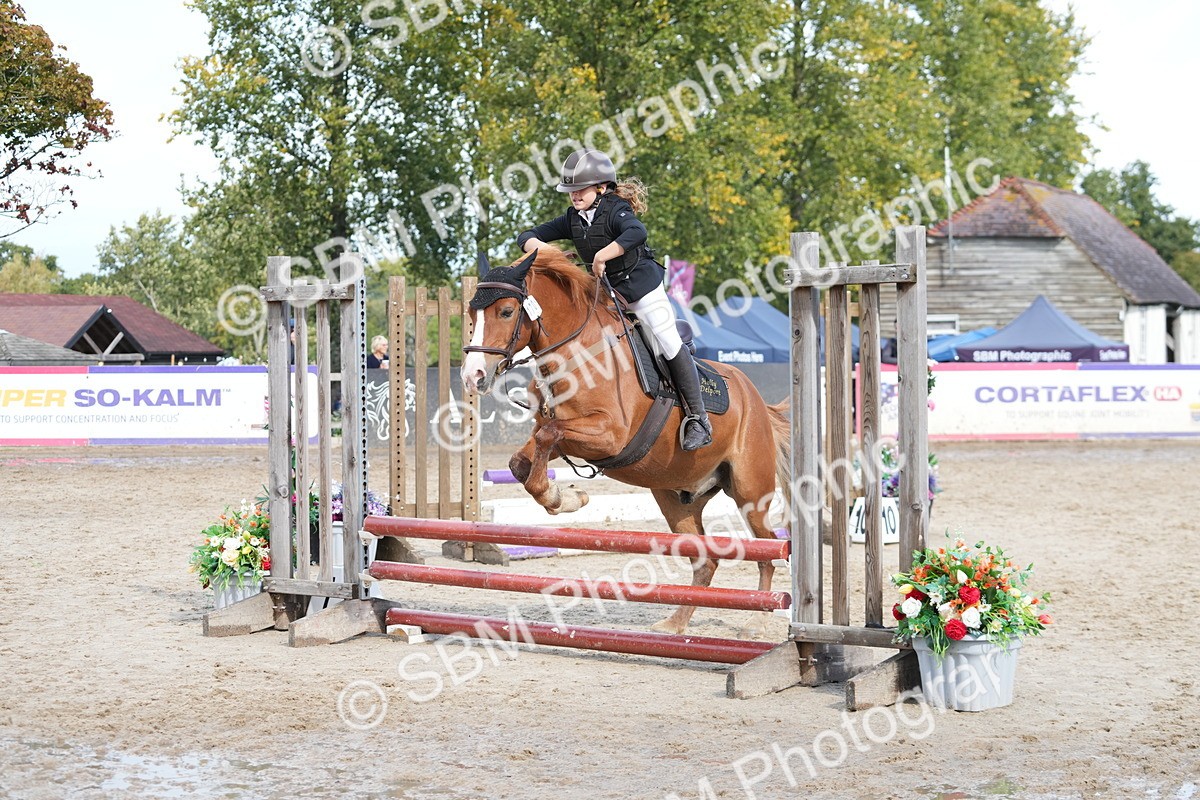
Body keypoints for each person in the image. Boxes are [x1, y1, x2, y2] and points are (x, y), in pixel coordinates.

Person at [517, 148, 711, 450]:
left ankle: (699, 418)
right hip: (605, 295)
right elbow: (527, 235)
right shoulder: (573, 218)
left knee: (666, 339)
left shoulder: (616, 209)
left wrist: (603, 254)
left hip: (641, 291)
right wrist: (549, 252)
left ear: (601, 186)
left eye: (580, 189)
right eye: (570, 190)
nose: (574, 195)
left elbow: (637, 232)